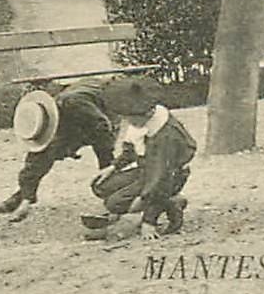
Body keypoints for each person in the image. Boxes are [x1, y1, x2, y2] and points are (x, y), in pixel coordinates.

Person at [0, 76, 117, 221]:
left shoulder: (74, 104)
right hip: (76, 113)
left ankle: (113, 201)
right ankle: (22, 198)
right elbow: (36, 157)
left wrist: (107, 166)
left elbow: (103, 127)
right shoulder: (41, 113)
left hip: (104, 105)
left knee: (104, 156)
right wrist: (27, 200)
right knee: (42, 155)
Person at [82, 76, 195, 239]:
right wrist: (113, 167)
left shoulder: (165, 136)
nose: (127, 121)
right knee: (101, 186)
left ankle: (169, 203)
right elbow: (131, 149)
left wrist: (149, 220)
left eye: (130, 117)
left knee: (115, 203)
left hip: (170, 175)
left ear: (147, 112)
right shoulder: (141, 121)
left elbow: (160, 178)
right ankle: (141, 206)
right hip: (146, 168)